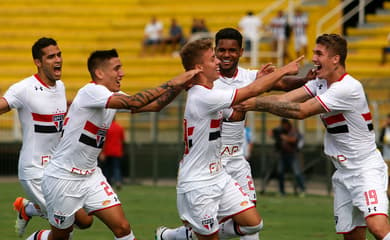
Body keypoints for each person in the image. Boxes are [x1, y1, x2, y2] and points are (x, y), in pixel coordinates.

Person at [25, 48, 201, 240]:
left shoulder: (110, 95)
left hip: (91, 176)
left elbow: (155, 106)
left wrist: (180, 87)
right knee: (61, 237)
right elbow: (133, 102)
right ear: (100, 73)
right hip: (63, 178)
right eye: (117, 68)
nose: (122, 73)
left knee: (122, 228)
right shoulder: (91, 92)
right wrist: (172, 82)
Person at [155, 27, 311, 240]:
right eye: (219, 52)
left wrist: (304, 80)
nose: (225, 56)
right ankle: (181, 235)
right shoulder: (207, 86)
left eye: (231, 50)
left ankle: (179, 235)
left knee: (250, 222)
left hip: (234, 160)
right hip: (207, 165)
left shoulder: (246, 76)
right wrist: (279, 72)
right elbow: (253, 92)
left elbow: (279, 84)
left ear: (240, 52)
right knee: (211, 230)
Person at [235, 33, 390, 240]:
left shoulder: (347, 88)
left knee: (378, 227)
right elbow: (283, 99)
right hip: (343, 173)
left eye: (319, 53)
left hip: (365, 168)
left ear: (335, 59)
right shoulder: (319, 83)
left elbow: (301, 111)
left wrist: (256, 103)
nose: (314, 58)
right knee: (352, 236)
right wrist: (246, 99)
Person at [0, 37, 93, 237]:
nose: (58, 60)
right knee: (67, 229)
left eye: (59, 55)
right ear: (38, 62)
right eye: (51, 57)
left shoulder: (60, 87)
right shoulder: (23, 89)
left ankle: (28, 209)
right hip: (34, 170)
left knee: (85, 222)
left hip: (57, 169)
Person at [272, 118, 305, 196]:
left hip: (292, 155)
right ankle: (282, 191)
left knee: (297, 173)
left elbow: (294, 140)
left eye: (284, 125)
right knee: (280, 172)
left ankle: (302, 189)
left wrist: (285, 137)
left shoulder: (293, 131)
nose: (283, 126)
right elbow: (273, 133)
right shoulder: (281, 130)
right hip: (283, 155)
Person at [99, 116, 125, 190]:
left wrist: (102, 153)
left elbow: (101, 141)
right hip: (117, 151)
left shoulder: (105, 128)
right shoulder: (119, 127)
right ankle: (118, 181)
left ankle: (108, 183)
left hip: (107, 151)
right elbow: (122, 140)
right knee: (116, 168)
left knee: (107, 168)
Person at [379, 113, 390, 196]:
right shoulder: (385, 129)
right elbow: (380, 140)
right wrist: (383, 128)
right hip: (386, 157)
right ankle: (387, 192)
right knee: (386, 175)